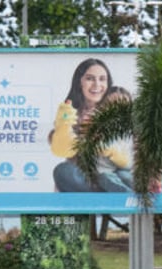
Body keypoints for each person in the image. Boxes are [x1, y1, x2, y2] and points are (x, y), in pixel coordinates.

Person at [49, 58, 115, 192]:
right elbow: (60, 145)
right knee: (64, 170)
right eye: (90, 78)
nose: (97, 84)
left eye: (102, 79)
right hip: (81, 179)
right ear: (80, 82)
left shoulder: (116, 109)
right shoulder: (69, 112)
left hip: (111, 176)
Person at [94, 86, 134, 193]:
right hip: (103, 173)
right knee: (106, 178)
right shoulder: (97, 128)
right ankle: (127, 196)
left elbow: (131, 162)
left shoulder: (130, 133)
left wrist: (115, 155)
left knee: (125, 175)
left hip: (125, 170)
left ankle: (143, 197)